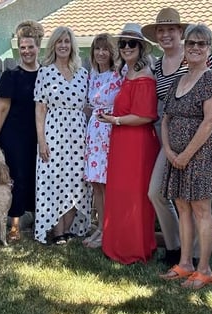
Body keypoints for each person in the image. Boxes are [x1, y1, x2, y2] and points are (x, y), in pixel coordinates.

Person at [141, 7, 212, 265]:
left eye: (171, 29)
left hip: (203, 140)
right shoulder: (158, 66)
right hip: (171, 138)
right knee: (157, 192)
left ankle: (194, 256)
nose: (166, 34)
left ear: (180, 32)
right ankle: (175, 248)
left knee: (197, 201)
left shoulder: (197, 53)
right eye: (161, 30)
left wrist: (209, 120)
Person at [159, 24, 212, 289]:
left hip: (200, 156)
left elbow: (209, 122)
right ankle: (185, 263)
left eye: (202, 44)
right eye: (191, 44)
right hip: (176, 156)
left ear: (209, 49)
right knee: (183, 208)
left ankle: (205, 269)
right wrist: (168, 149)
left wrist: (185, 154)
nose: (196, 48)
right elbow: (166, 118)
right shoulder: (179, 79)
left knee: (201, 210)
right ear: (185, 48)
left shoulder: (211, 80)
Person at [99, 23, 159, 264]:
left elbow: (145, 115)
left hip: (137, 144)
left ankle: (135, 249)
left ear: (141, 47)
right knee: (120, 193)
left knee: (135, 195)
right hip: (122, 140)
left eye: (131, 43)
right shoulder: (127, 73)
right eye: (122, 43)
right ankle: (117, 244)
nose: (126, 47)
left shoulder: (145, 77)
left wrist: (115, 120)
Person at [33, 26, 92, 245]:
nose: (63, 45)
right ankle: (57, 232)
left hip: (78, 135)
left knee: (76, 182)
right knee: (53, 181)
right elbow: (40, 109)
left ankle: (67, 230)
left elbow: (88, 106)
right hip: (54, 133)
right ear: (54, 45)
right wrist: (41, 140)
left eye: (67, 41)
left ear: (72, 45)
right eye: (59, 41)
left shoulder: (82, 73)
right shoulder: (45, 72)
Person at [0, 21, 44, 242]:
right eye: (23, 48)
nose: (27, 51)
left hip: (39, 136)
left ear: (38, 47)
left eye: (31, 47)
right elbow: (1, 109)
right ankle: (15, 226)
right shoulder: (11, 76)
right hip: (15, 136)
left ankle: (41, 221)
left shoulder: (46, 75)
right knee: (17, 178)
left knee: (37, 177)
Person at [81, 34, 122, 249]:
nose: (101, 53)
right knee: (96, 184)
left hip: (110, 131)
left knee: (107, 184)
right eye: (97, 49)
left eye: (105, 49)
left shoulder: (119, 74)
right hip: (94, 131)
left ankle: (109, 229)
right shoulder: (92, 74)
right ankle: (100, 226)